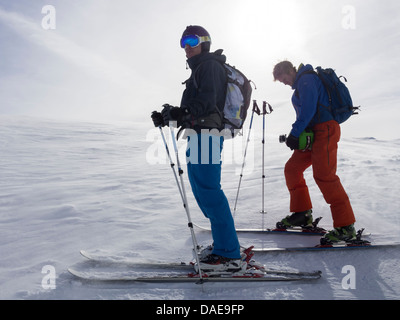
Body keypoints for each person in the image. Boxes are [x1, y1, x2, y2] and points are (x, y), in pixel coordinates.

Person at [151, 26, 244, 271]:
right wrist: (169, 117)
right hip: (199, 135)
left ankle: (228, 254)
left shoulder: (210, 66)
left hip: (207, 135)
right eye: (183, 42)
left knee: (209, 191)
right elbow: (191, 111)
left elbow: (206, 103)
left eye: (191, 40)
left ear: (205, 42)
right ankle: (224, 244)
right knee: (203, 191)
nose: (187, 46)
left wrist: (180, 112)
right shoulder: (199, 70)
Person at [273, 60, 356, 244]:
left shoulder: (306, 79)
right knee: (292, 169)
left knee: (324, 175)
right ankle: (302, 213)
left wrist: (295, 133)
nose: (284, 83)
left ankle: (346, 226)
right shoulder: (300, 85)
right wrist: (297, 135)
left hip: (325, 130)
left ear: (289, 70)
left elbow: (309, 109)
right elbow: (307, 113)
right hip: (311, 133)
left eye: (283, 78)